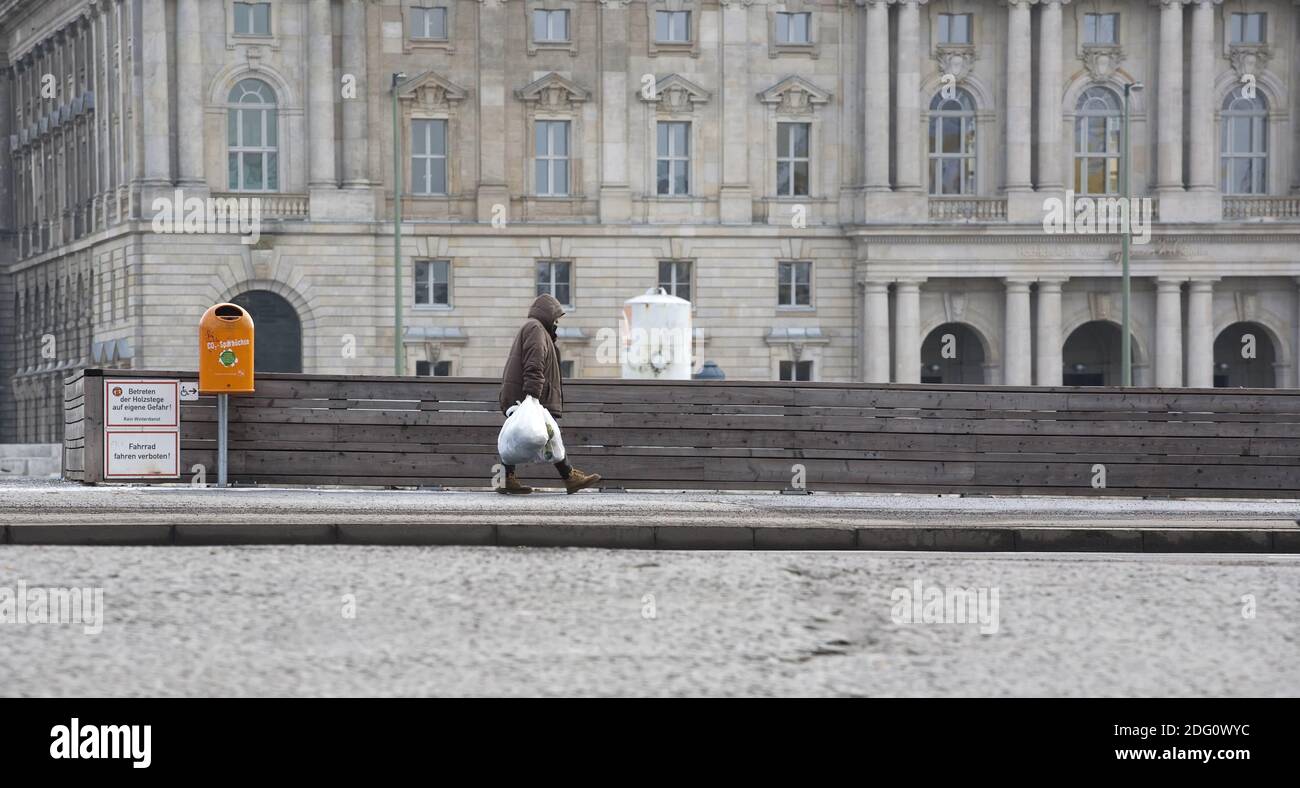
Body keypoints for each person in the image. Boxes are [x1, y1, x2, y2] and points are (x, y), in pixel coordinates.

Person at [497, 293, 602, 494]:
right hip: (528, 396)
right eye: (555, 318)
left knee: (541, 435)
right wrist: (533, 396)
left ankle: (507, 479)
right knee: (546, 434)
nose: (556, 323)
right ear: (547, 314)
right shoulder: (536, 329)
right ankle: (569, 477)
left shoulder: (536, 329)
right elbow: (534, 363)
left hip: (524, 394)